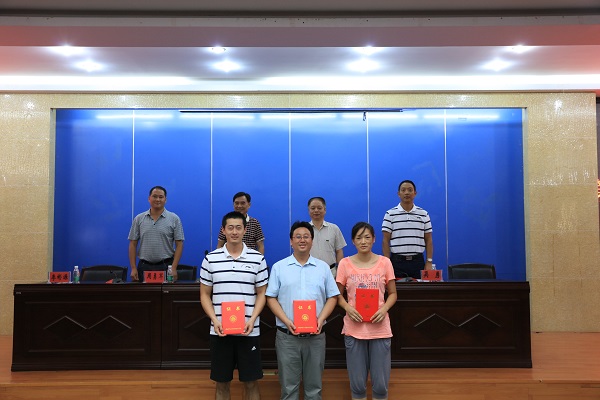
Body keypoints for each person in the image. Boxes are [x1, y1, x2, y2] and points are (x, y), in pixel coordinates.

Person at [266, 221, 340, 400]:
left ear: (312, 241)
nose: (302, 240)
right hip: (287, 337)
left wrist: (320, 319)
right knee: (288, 388)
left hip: (315, 337)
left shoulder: (323, 267)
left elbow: (333, 297)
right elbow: (270, 298)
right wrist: (286, 321)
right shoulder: (279, 267)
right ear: (291, 241)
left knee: (314, 389)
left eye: (306, 236)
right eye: (298, 237)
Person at [200, 211, 269, 400]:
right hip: (220, 331)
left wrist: (252, 319)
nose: (234, 232)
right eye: (230, 228)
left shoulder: (258, 259)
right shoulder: (211, 259)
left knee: (251, 382)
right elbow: (204, 295)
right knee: (222, 383)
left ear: (245, 230)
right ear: (223, 230)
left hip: (249, 331)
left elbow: (262, 293)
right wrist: (215, 320)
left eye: (238, 227)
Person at [336, 222, 397, 400]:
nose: (363, 241)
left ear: (374, 239)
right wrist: (348, 307)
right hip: (354, 329)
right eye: (359, 238)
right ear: (353, 241)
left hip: (380, 329)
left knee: (381, 385)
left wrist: (384, 309)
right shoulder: (345, 264)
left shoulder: (385, 263)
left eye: (367, 237)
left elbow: (393, 294)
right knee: (357, 385)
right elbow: (337, 295)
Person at [128, 185, 184, 282]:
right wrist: (133, 268)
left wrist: (174, 268)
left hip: (166, 266)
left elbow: (179, 244)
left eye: (161, 197)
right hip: (144, 266)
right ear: (149, 198)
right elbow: (133, 244)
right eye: (154, 196)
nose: (157, 199)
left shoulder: (174, 219)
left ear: (165, 200)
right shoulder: (139, 218)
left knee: (166, 292)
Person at [382, 180, 433, 279]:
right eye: (403, 190)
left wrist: (429, 261)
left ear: (415, 193)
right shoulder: (390, 214)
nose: (406, 193)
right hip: (397, 262)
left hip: (417, 262)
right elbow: (385, 241)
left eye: (410, 190)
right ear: (398, 194)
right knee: (397, 288)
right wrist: (387, 263)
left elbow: (429, 240)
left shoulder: (423, 214)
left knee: (420, 288)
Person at [307, 196, 347, 277]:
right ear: (309, 210)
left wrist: (340, 271)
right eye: (313, 208)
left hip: (331, 272)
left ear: (325, 210)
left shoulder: (334, 228)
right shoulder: (304, 229)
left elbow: (339, 251)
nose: (316, 210)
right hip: (309, 272)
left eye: (319, 208)